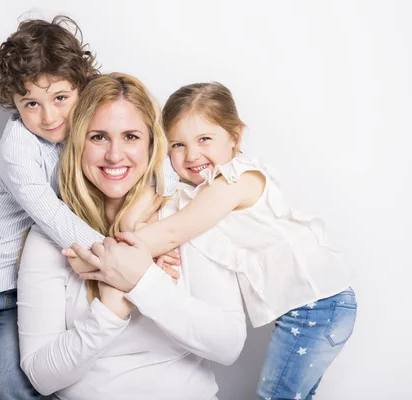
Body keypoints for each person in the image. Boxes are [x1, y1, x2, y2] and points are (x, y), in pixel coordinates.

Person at [0, 16, 177, 400]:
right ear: (14, 104)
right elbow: (50, 214)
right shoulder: (18, 145)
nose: (49, 117)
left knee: (9, 384)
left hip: (23, 287)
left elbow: (147, 157)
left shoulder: (86, 133)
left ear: (82, 86)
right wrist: (115, 256)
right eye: (31, 103)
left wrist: (153, 227)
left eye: (60, 98)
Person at [77, 81, 357, 400]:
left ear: (235, 137)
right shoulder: (195, 190)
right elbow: (138, 215)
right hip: (306, 309)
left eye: (204, 139)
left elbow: (173, 230)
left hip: (319, 305)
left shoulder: (237, 181)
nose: (192, 154)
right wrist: (148, 244)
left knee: (275, 394)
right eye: (177, 145)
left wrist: (113, 256)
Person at [17, 73, 247, 400]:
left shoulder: (186, 217)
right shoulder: (48, 237)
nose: (114, 155)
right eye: (98, 137)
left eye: (130, 136)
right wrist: (111, 307)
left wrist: (140, 280)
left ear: (153, 144)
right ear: (78, 142)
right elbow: (41, 375)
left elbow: (228, 345)